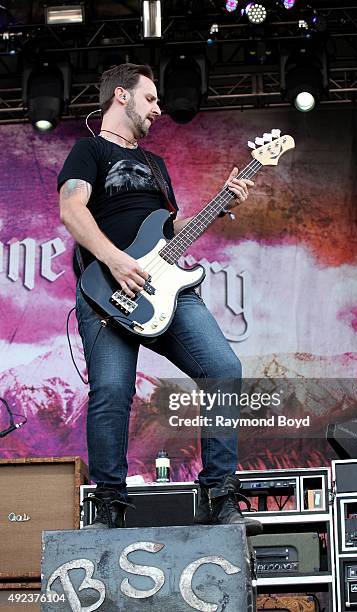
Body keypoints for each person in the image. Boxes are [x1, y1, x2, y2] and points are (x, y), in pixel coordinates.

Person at [58, 63, 262, 535]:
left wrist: (221, 203)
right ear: (122, 98)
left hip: (163, 286)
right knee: (111, 391)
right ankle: (109, 505)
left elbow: (168, 235)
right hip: (107, 290)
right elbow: (72, 208)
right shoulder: (89, 151)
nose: (158, 108)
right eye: (150, 98)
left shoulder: (157, 165)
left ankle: (220, 495)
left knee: (223, 369)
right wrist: (113, 260)